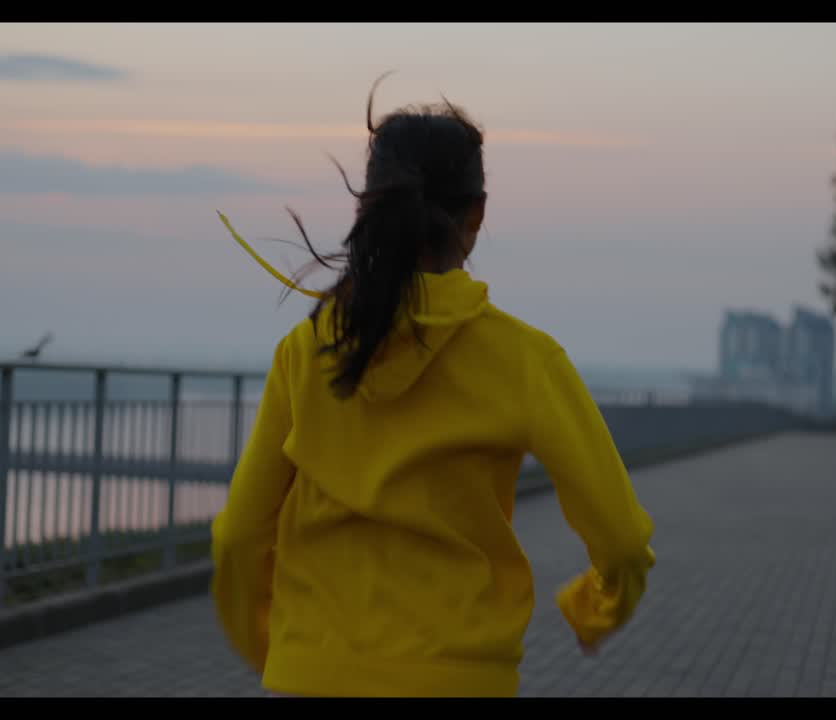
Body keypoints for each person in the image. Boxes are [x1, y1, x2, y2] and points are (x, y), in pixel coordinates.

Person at [210, 76, 655, 698]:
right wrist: (593, 608)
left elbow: (237, 535)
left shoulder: (307, 352)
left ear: (367, 209)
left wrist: (276, 647)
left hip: (310, 673)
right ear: (476, 215)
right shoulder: (524, 360)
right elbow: (624, 538)